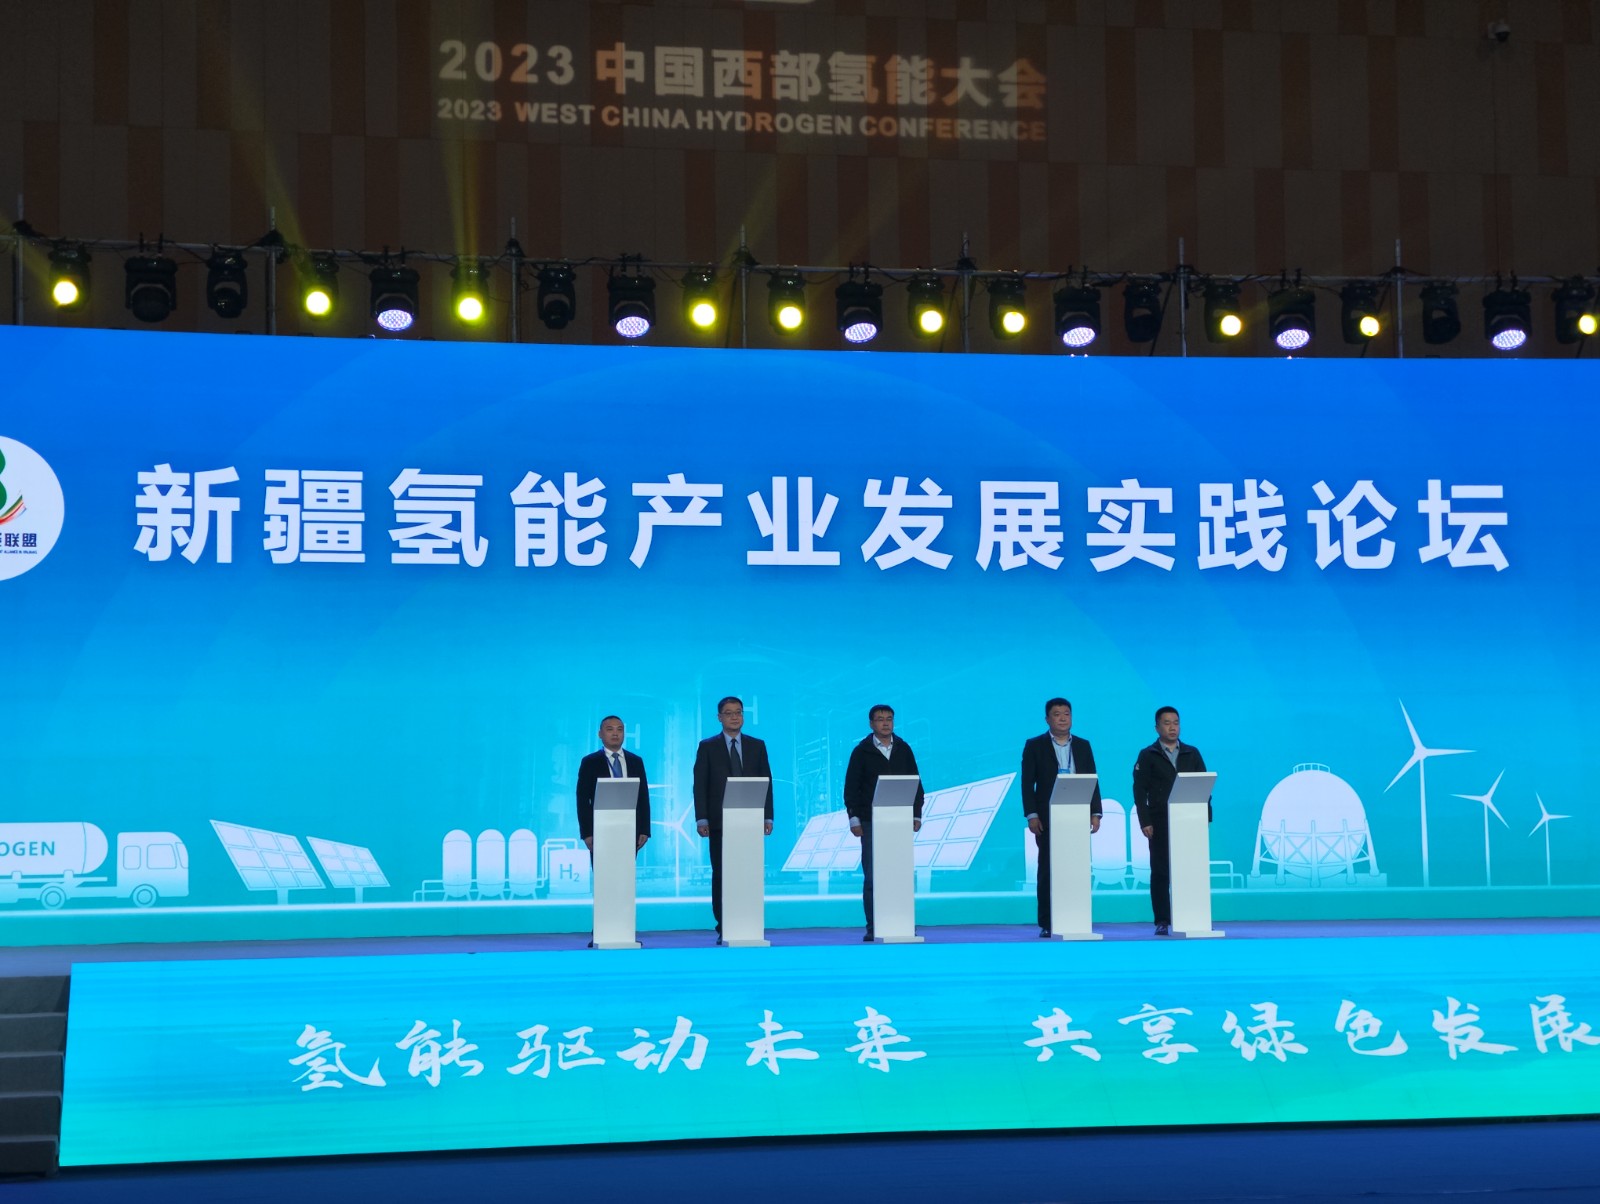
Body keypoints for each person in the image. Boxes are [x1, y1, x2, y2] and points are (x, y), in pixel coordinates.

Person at [693, 696, 773, 943]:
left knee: (748, 873)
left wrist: (767, 815)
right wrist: (701, 818)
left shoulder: (757, 746)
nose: (734, 717)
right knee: (722, 874)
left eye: (738, 712)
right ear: (719, 717)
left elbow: (767, 782)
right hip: (719, 823)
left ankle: (749, 923)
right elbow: (700, 784)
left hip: (750, 822)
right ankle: (724, 926)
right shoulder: (707, 746)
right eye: (728, 713)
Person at [1019, 697, 1102, 937]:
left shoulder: (1083, 745)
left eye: (1066, 713)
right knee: (1048, 868)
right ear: (1047, 719)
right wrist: (1032, 815)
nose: (1063, 718)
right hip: (1047, 818)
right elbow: (1027, 784)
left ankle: (1077, 917)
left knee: (1077, 867)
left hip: (1077, 815)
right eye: (1057, 714)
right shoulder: (1035, 745)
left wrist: (1095, 812)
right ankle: (1047, 922)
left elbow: (1092, 779)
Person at [844, 705, 924, 941]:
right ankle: (874, 926)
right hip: (871, 822)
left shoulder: (904, 749)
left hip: (899, 822)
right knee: (873, 876)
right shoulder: (861, 751)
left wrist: (916, 814)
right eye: (880, 719)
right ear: (871, 724)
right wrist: (854, 818)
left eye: (889, 719)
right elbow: (851, 787)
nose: (885, 723)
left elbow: (915, 783)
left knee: (900, 873)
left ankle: (902, 924)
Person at [1131, 705, 1209, 936]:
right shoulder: (1148, 754)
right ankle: (1163, 920)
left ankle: (1194, 916)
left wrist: (1205, 815)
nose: (1172, 727)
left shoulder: (1192, 753)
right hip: (1160, 821)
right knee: (1161, 871)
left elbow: (1204, 786)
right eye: (1167, 723)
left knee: (1191, 869)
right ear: (1157, 727)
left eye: (1176, 722)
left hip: (1189, 821)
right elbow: (1139, 790)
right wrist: (1145, 821)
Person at [575, 715, 651, 948]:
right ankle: (602, 931)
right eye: (609, 729)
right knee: (605, 882)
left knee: (624, 883)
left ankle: (624, 931)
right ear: (600, 734)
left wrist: (644, 829)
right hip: (601, 833)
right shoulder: (590, 762)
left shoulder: (636, 761)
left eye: (619, 729)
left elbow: (643, 797)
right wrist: (587, 833)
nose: (615, 733)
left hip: (629, 832)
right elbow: (582, 799)